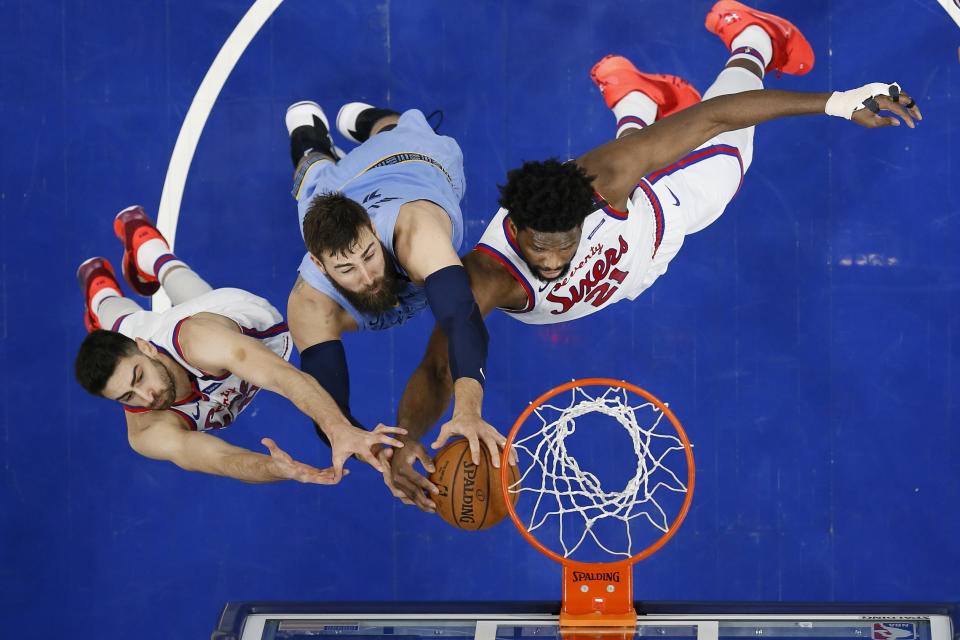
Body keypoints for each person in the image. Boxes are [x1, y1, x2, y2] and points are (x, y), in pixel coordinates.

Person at [386, 0, 923, 511]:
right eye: (537, 248)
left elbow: (717, 117)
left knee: (733, 149)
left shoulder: (601, 180)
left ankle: (753, 37)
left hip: (668, 210)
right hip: (629, 270)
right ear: (515, 227)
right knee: (649, 144)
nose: (550, 262)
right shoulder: (485, 275)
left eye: (563, 245)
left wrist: (836, 102)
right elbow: (438, 365)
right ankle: (636, 100)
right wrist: (407, 441)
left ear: (583, 213)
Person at [74, 206, 405, 484]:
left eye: (138, 377)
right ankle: (105, 273)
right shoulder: (145, 429)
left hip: (238, 318)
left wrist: (337, 429)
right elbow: (216, 458)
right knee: (128, 315)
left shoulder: (201, 342)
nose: (147, 396)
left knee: (120, 322)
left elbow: (283, 377)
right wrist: (272, 468)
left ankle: (134, 253)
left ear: (145, 349)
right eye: (127, 397)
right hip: (188, 328)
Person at [282, 99, 501, 479]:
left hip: (415, 160)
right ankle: (314, 142)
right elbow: (326, 403)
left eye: (368, 254)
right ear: (319, 264)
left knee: (399, 129)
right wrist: (381, 453)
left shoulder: (418, 235)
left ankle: (371, 121)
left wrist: (468, 411)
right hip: (339, 186)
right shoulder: (311, 303)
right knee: (312, 177)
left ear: (370, 225)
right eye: (346, 269)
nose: (368, 277)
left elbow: (462, 319)